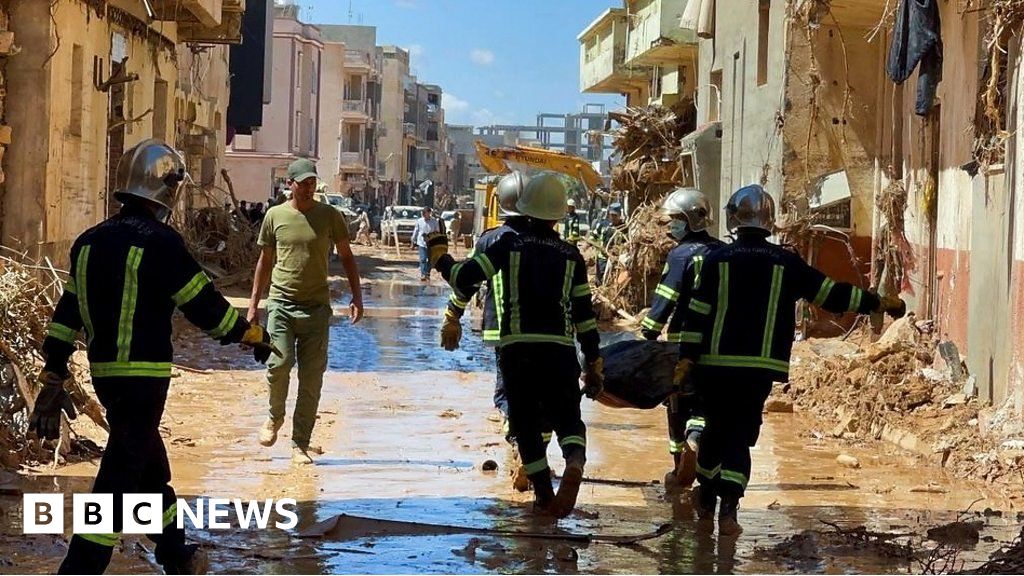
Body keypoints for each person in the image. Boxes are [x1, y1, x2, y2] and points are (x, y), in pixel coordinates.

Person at [31, 139, 276, 574]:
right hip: (145, 380)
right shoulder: (163, 243)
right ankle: (80, 567)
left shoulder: (87, 243)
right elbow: (206, 309)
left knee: (148, 466)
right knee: (118, 480)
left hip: (105, 377)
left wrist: (54, 373)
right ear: (166, 189)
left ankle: (175, 554)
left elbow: (65, 314)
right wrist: (250, 334)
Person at [674, 184, 907, 536]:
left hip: (715, 366)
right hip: (758, 370)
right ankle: (730, 511)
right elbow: (831, 295)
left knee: (715, 432)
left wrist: (685, 361)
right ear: (770, 220)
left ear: (733, 218)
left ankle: (706, 501)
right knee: (740, 437)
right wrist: (877, 302)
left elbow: (696, 315)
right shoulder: (786, 263)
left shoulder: (714, 261)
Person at [430, 172, 604, 518]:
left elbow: (464, 279)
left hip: (516, 349)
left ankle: (543, 496)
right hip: (560, 348)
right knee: (568, 418)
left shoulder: (505, 244)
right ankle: (575, 459)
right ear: (558, 214)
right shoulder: (571, 254)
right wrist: (593, 362)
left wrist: (440, 258)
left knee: (524, 424)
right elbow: (585, 317)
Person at [438, 172, 551, 490]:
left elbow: (467, 282)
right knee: (543, 398)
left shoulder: (492, 239)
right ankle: (536, 451)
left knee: (509, 394)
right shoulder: (551, 242)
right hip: (549, 337)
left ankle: (519, 445)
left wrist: (452, 316)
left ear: (500, 203)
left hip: (504, 333)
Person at [248, 158, 364, 465]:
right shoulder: (275, 216)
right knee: (279, 365)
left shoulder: (330, 216)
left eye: (313, 182)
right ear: (291, 184)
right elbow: (265, 261)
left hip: (316, 309)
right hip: (281, 305)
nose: (309, 187)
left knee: (311, 379)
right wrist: (253, 306)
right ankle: (274, 417)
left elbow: (348, 257)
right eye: (304, 182)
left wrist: (357, 296)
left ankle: (300, 443)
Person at [640, 188, 724, 492]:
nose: (670, 226)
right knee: (706, 402)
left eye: (675, 219)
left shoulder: (680, 255)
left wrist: (648, 332)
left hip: (681, 340)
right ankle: (700, 449)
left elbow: (666, 297)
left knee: (676, 402)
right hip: (717, 343)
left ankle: (678, 469)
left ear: (690, 220)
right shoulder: (722, 252)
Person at [590, 203, 627, 285]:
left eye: (615, 215)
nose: (613, 217)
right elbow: (594, 236)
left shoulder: (624, 228)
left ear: (619, 215)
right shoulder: (604, 225)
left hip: (615, 260)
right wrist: (591, 246)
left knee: (611, 281)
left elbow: (626, 243)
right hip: (602, 258)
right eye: (611, 215)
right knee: (600, 279)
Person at [410, 206, 441, 282]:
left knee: (430, 260)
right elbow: (416, 232)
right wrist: (412, 242)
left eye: (425, 213)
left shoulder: (434, 221)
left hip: (431, 244)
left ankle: (427, 273)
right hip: (422, 243)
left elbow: (437, 232)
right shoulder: (419, 221)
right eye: (423, 213)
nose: (424, 215)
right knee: (423, 259)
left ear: (429, 213)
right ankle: (423, 274)